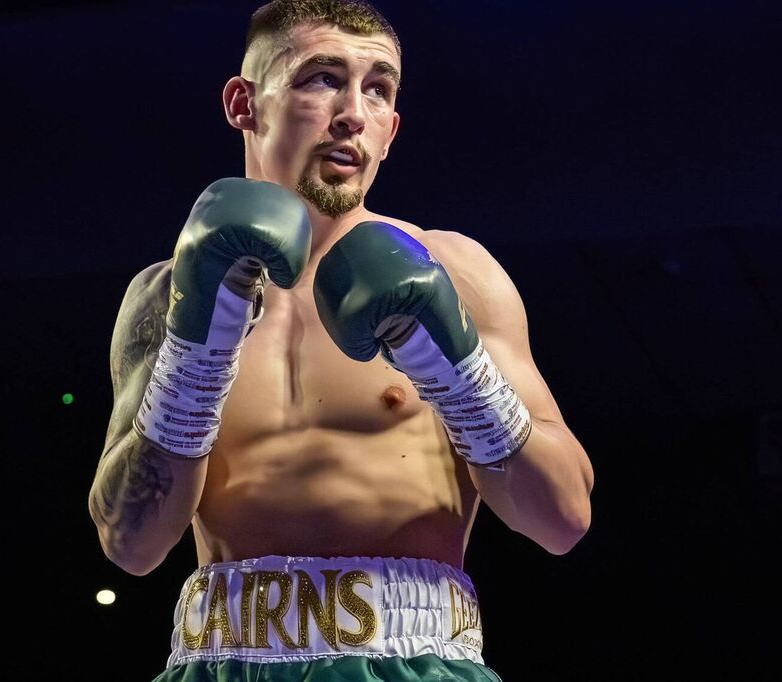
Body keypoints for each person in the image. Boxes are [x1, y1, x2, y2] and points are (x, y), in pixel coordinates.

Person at [88, 1, 594, 679]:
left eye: (378, 89)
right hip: (218, 659)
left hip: (413, 658)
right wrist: (197, 355)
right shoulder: (166, 294)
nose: (353, 112)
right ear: (245, 104)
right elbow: (132, 545)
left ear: (391, 131)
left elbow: (562, 520)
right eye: (321, 78)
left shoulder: (457, 271)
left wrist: (454, 368)